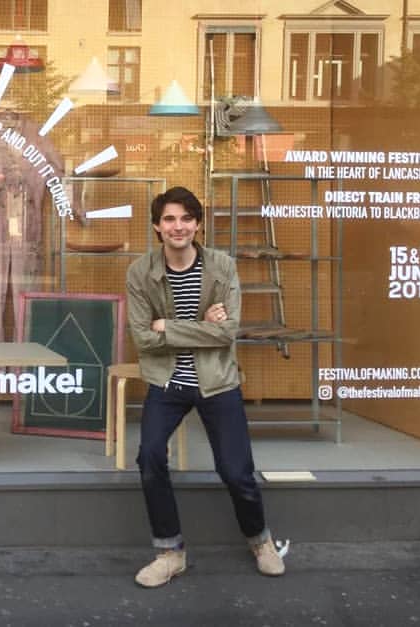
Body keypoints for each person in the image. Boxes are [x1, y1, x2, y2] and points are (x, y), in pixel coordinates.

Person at [125, 186, 284, 588]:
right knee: (149, 458)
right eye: (169, 219)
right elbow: (144, 338)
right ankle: (170, 551)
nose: (178, 227)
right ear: (157, 227)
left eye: (186, 219)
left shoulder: (222, 266)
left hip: (217, 380)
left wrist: (170, 326)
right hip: (167, 379)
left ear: (198, 224)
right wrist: (201, 327)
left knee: (236, 471)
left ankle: (261, 540)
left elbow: (228, 332)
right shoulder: (140, 272)